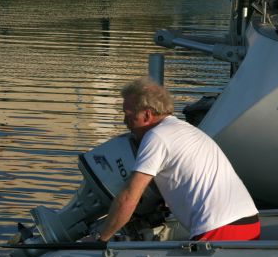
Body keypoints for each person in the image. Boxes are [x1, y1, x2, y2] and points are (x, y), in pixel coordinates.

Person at [93, 77, 259, 242]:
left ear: (147, 114)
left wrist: (101, 239)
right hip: (248, 222)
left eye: (128, 115)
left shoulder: (156, 137)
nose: (124, 122)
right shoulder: (184, 129)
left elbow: (129, 196)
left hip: (219, 228)